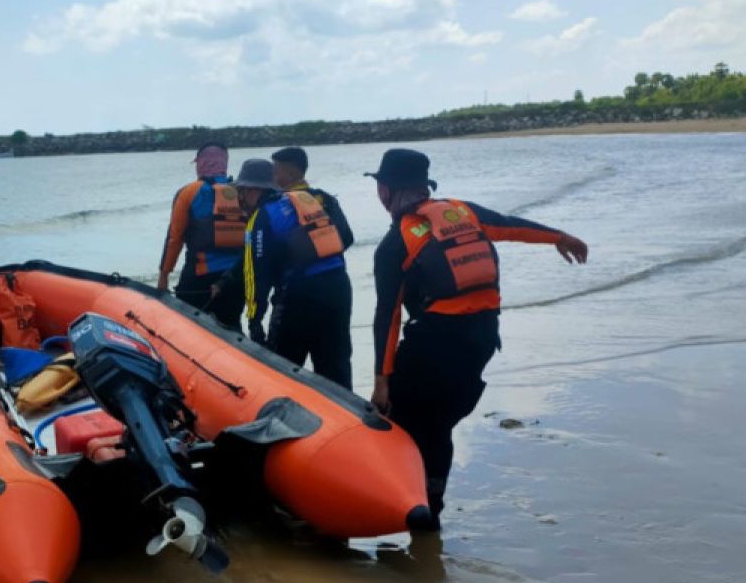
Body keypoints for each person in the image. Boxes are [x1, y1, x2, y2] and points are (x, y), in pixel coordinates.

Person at [366, 148, 589, 530]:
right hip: (482, 339)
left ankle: (405, 506)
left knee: (400, 421)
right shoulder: (462, 212)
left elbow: (387, 317)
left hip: (436, 344)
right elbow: (510, 225)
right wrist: (559, 237)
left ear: (386, 192)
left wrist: (382, 380)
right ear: (424, 187)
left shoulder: (394, 245)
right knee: (439, 427)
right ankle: (432, 505)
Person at [235, 155, 355, 389]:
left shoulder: (262, 216)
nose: (240, 200)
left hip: (298, 298)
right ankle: (346, 418)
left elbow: (255, 275)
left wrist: (254, 320)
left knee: (283, 372)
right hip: (339, 290)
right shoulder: (318, 200)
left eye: (242, 192)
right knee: (335, 367)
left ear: (252, 191)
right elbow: (345, 238)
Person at [157, 142, 247, 330]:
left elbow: (175, 237)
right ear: (225, 162)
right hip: (235, 277)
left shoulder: (188, 192)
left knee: (186, 327)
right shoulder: (243, 191)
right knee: (231, 328)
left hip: (199, 275)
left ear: (200, 164)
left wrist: (164, 274)